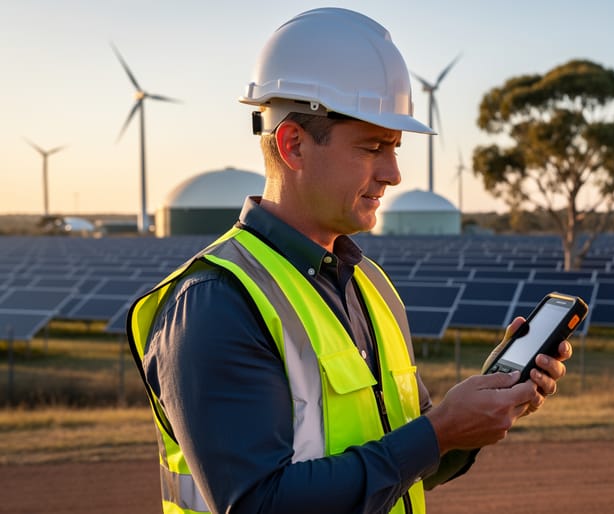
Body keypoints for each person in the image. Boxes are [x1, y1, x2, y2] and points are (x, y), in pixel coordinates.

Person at [127, 7, 571, 514]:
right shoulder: (214, 304)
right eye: (373, 147)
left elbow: (408, 459)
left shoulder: (370, 285)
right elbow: (258, 503)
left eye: (396, 148)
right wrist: (439, 430)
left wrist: (473, 418)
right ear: (293, 145)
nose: (394, 173)